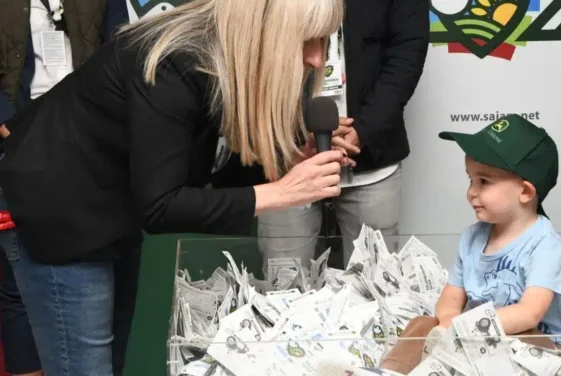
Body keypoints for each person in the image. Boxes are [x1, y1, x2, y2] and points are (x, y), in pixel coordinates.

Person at [0, 0, 348, 375]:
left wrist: (284, 163)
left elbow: (198, 175)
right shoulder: (174, 59)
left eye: (324, 42)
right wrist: (283, 192)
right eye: (307, 41)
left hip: (110, 210)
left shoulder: (218, 57)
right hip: (57, 208)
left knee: (108, 366)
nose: (315, 60)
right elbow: (162, 206)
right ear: (266, 32)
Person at [379, 115, 561, 374]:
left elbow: (529, 313)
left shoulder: (545, 246)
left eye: (484, 181)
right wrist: (448, 320)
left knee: (526, 336)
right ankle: (392, 370)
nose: (471, 191)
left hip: (535, 339)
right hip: (474, 333)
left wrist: (465, 325)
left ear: (526, 192)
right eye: (470, 179)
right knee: (422, 323)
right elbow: (452, 294)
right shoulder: (472, 237)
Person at [0, 1, 128, 375]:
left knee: (97, 291)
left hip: (87, 141)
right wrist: (14, 135)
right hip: (17, 141)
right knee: (16, 284)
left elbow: (120, 49)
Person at [257, 0, 430, 272]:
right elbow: (251, 52)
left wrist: (364, 130)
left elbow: (408, 50)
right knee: (283, 285)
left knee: (376, 287)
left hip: (371, 162)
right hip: (288, 160)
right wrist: (295, 135)